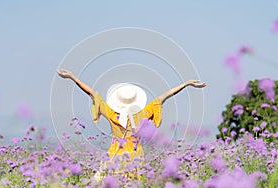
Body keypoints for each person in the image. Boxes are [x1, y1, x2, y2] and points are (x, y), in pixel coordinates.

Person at [57, 68, 206, 178]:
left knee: (108, 186)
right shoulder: (143, 114)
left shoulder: (111, 113)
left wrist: (72, 77)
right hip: (135, 155)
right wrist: (186, 84)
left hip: (114, 154)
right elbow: (164, 96)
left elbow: (92, 93)